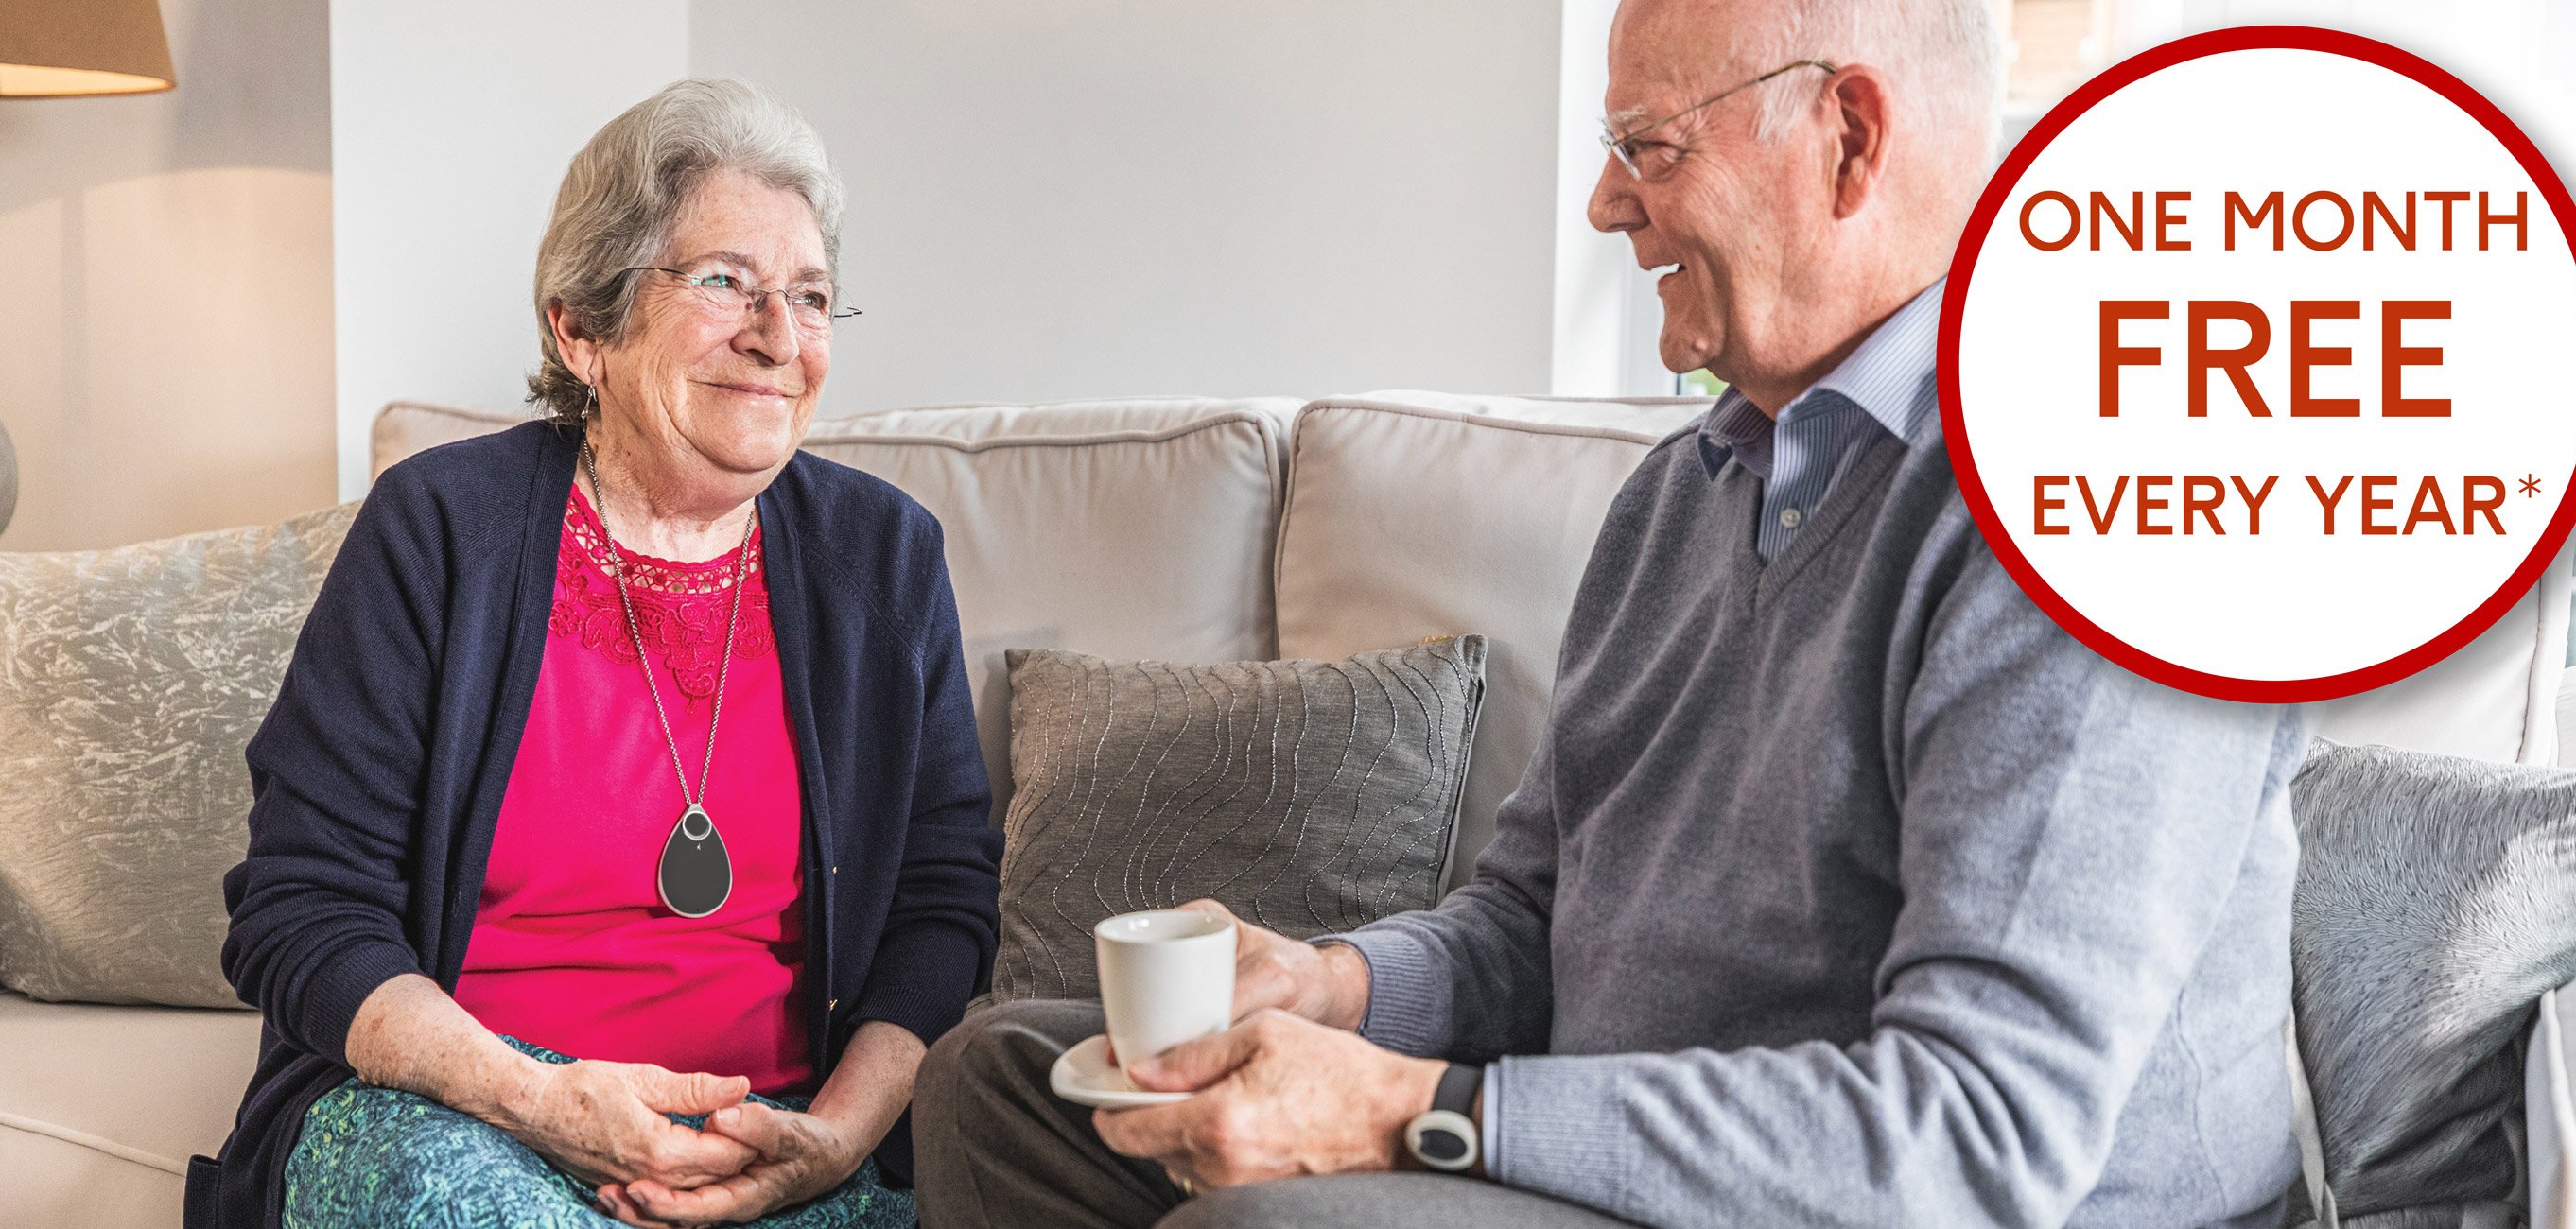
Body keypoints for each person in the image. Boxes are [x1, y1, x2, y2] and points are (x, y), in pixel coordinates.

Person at [912, 0, 2306, 1225]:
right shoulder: (1681, 502)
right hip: (1600, 1153)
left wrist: (1415, 1111)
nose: (1600, 204)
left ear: (1848, 137)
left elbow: (1972, 1144)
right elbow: (1528, 921)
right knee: (1002, 1086)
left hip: (1867, 1200)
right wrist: (1331, 989)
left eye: (1648, 145)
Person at [189, 79, 1001, 1229]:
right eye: (724, 280)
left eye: (810, 295)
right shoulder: (442, 530)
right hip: (468, 1113)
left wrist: (831, 1142)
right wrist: (536, 1099)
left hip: (775, 1138)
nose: (778, 337)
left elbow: (942, 903)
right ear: (582, 328)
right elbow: (300, 908)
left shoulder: (884, 557)